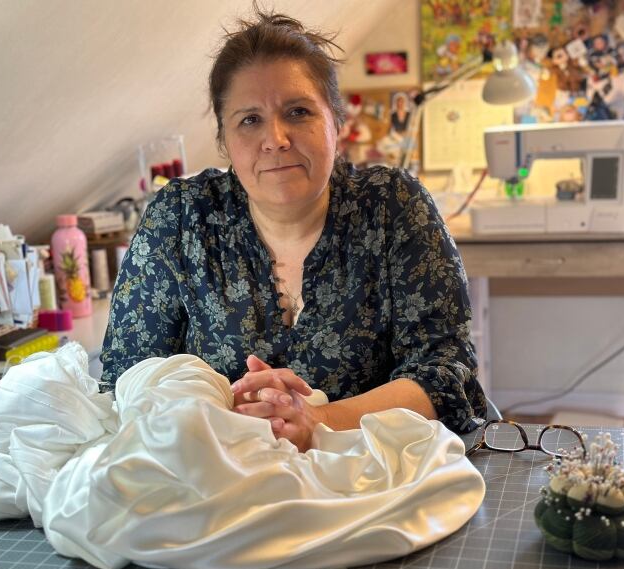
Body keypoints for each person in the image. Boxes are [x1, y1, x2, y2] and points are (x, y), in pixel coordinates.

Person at [100, 7, 487, 452]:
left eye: (298, 111)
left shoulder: (392, 206)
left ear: (335, 123)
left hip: (376, 479)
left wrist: (316, 420)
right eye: (250, 119)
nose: (276, 139)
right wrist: (238, 416)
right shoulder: (180, 218)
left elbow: (443, 372)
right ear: (225, 140)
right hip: (221, 481)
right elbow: (126, 381)